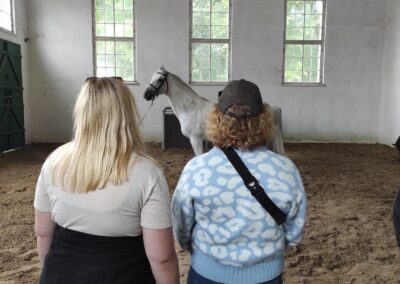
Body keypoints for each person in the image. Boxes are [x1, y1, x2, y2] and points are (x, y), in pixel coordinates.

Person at [34, 77, 179, 284]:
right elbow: (161, 257)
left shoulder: (54, 162)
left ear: (82, 111)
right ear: (126, 113)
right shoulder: (147, 173)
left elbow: (43, 233)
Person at [172, 79, 307, 284]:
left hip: (206, 273)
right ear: (264, 119)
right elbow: (294, 232)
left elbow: (181, 228)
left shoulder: (196, 168)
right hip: (266, 275)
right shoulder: (286, 169)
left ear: (216, 117)